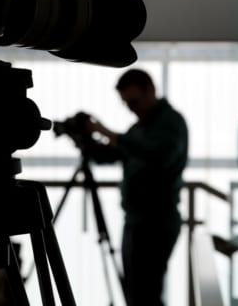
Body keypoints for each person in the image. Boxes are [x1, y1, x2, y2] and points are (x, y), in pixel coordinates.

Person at [87, 68, 188, 306]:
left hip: (156, 222)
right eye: (127, 104)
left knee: (146, 295)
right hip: (137, 221)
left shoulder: (170, 123)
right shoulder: (140, 128)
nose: (131, 109)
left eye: (134, 102)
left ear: (150, 90)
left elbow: (157, 154)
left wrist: (107, 133)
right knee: (136, 294)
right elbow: (110, 154)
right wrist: (85, 140)